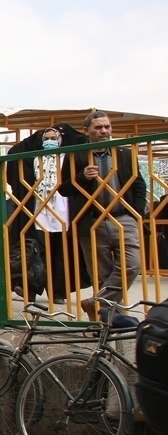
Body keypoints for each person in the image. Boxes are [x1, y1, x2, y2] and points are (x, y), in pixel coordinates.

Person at [59, 111, 147, 317]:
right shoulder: (76, 155)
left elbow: (139, 185)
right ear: (86, 130)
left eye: (107, 126)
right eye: (98, 127)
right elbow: (63, 188)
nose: (104, 131)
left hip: (123, 216)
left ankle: (96, 303)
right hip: (92, 220)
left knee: (132, 265)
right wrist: (82, 176)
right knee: (101, 274)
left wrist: (136, 213)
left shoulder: (123, 153)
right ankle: (108, 323)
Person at [6, 124, 86, 304]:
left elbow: (82, 140)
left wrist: (64, 128)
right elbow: (14, 152)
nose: (50, 142)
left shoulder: (69, 157)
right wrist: (38, 134)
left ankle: (57, 291)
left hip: (62, 206)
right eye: (46, 139)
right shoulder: (34, 159)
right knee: (36, 250)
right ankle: (31, 289)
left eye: (54, 138)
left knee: (60, 250)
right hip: (39, 207)